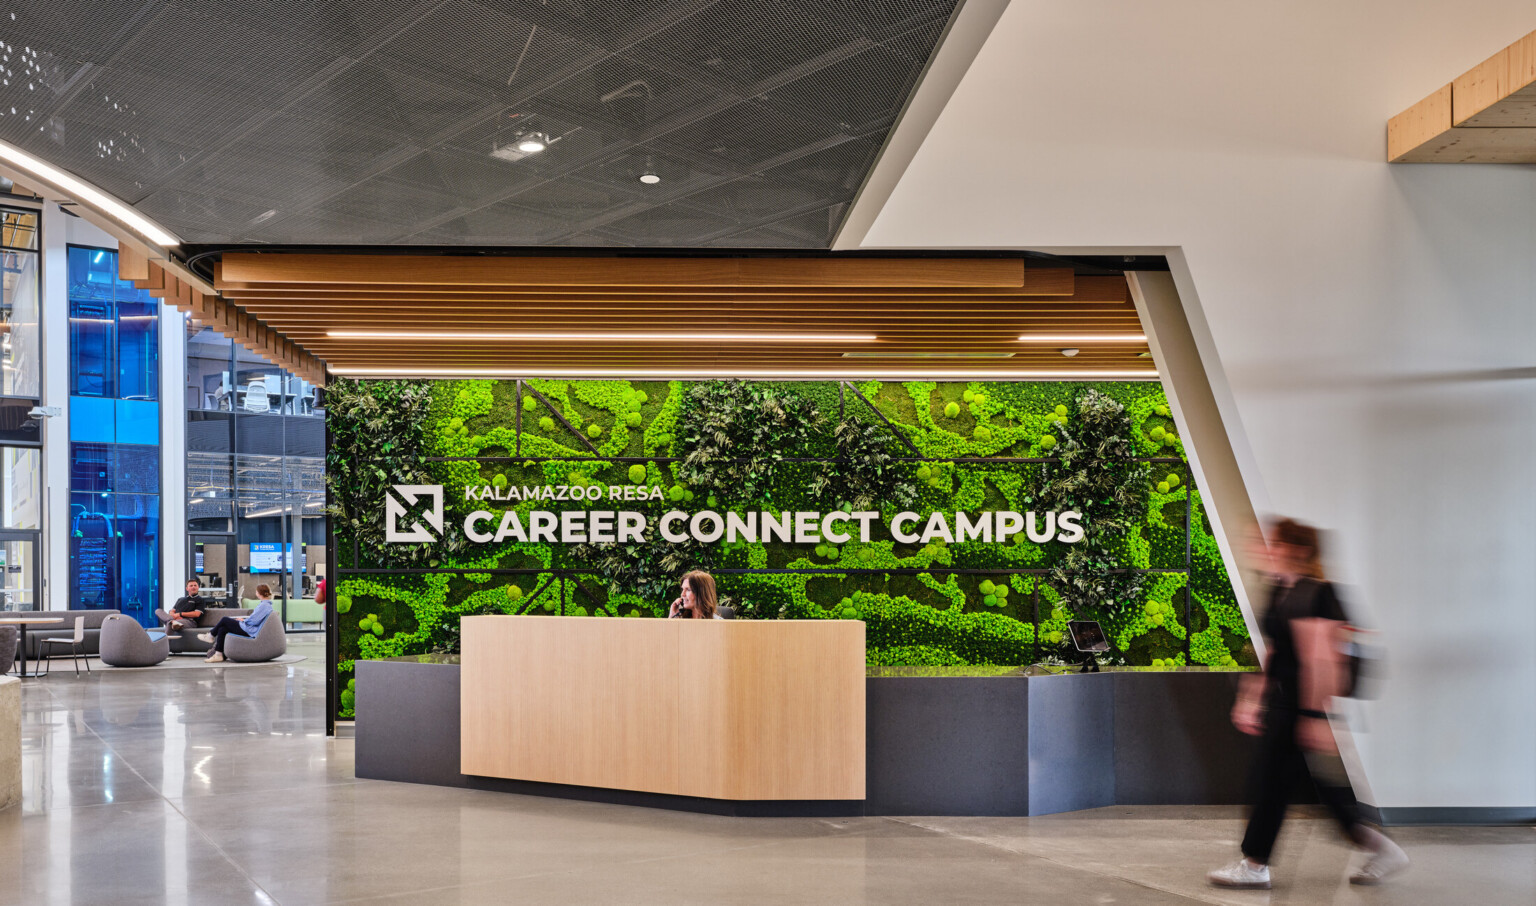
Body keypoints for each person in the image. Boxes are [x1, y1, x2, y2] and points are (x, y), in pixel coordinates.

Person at [1208, 519, 1408, 890]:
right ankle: (1381, 848)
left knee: (1270, 784)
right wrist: (1251, 697)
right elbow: (1276, 651)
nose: (1264, 549)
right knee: (1313, 789)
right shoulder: (1278, 589)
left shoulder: (1315, 593)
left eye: (1273, 543)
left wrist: (1315, 716)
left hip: (1300, 707)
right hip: (1283, 704)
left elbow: (1322, 660)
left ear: (1296, 550)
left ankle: (1255, 865)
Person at [198, 584, 275, 663]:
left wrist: (243, 621)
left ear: (259, 593)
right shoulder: (265, 605)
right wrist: (244, 619)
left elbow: (254, 621)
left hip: (249, 631)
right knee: (222, 629)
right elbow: (255, 619)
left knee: (225, 619)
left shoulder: (264, 605)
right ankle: (218, 654)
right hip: (250, 628)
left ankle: (210, 635)